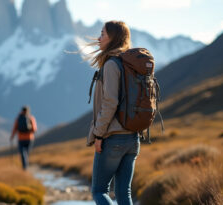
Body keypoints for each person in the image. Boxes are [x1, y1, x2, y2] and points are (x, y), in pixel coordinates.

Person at [86, 21, 140, 205]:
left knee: (99, 191)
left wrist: (99, 134)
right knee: (124, 193)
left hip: (112, 138)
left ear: (113, 38)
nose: (98, 38)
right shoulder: (131, 65)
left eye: (102, 34)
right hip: (133, 139)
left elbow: (110, 103)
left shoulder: (111, 64)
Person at [10, 105, 37, 170]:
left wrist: (12, 136)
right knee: (26, 153)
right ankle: (25, 166)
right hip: (29, 138)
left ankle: (24, 167)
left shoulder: (18, 118)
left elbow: (15, 128)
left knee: (22, 153)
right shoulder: (31, 118)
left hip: (21, 138)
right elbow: (34, 129)